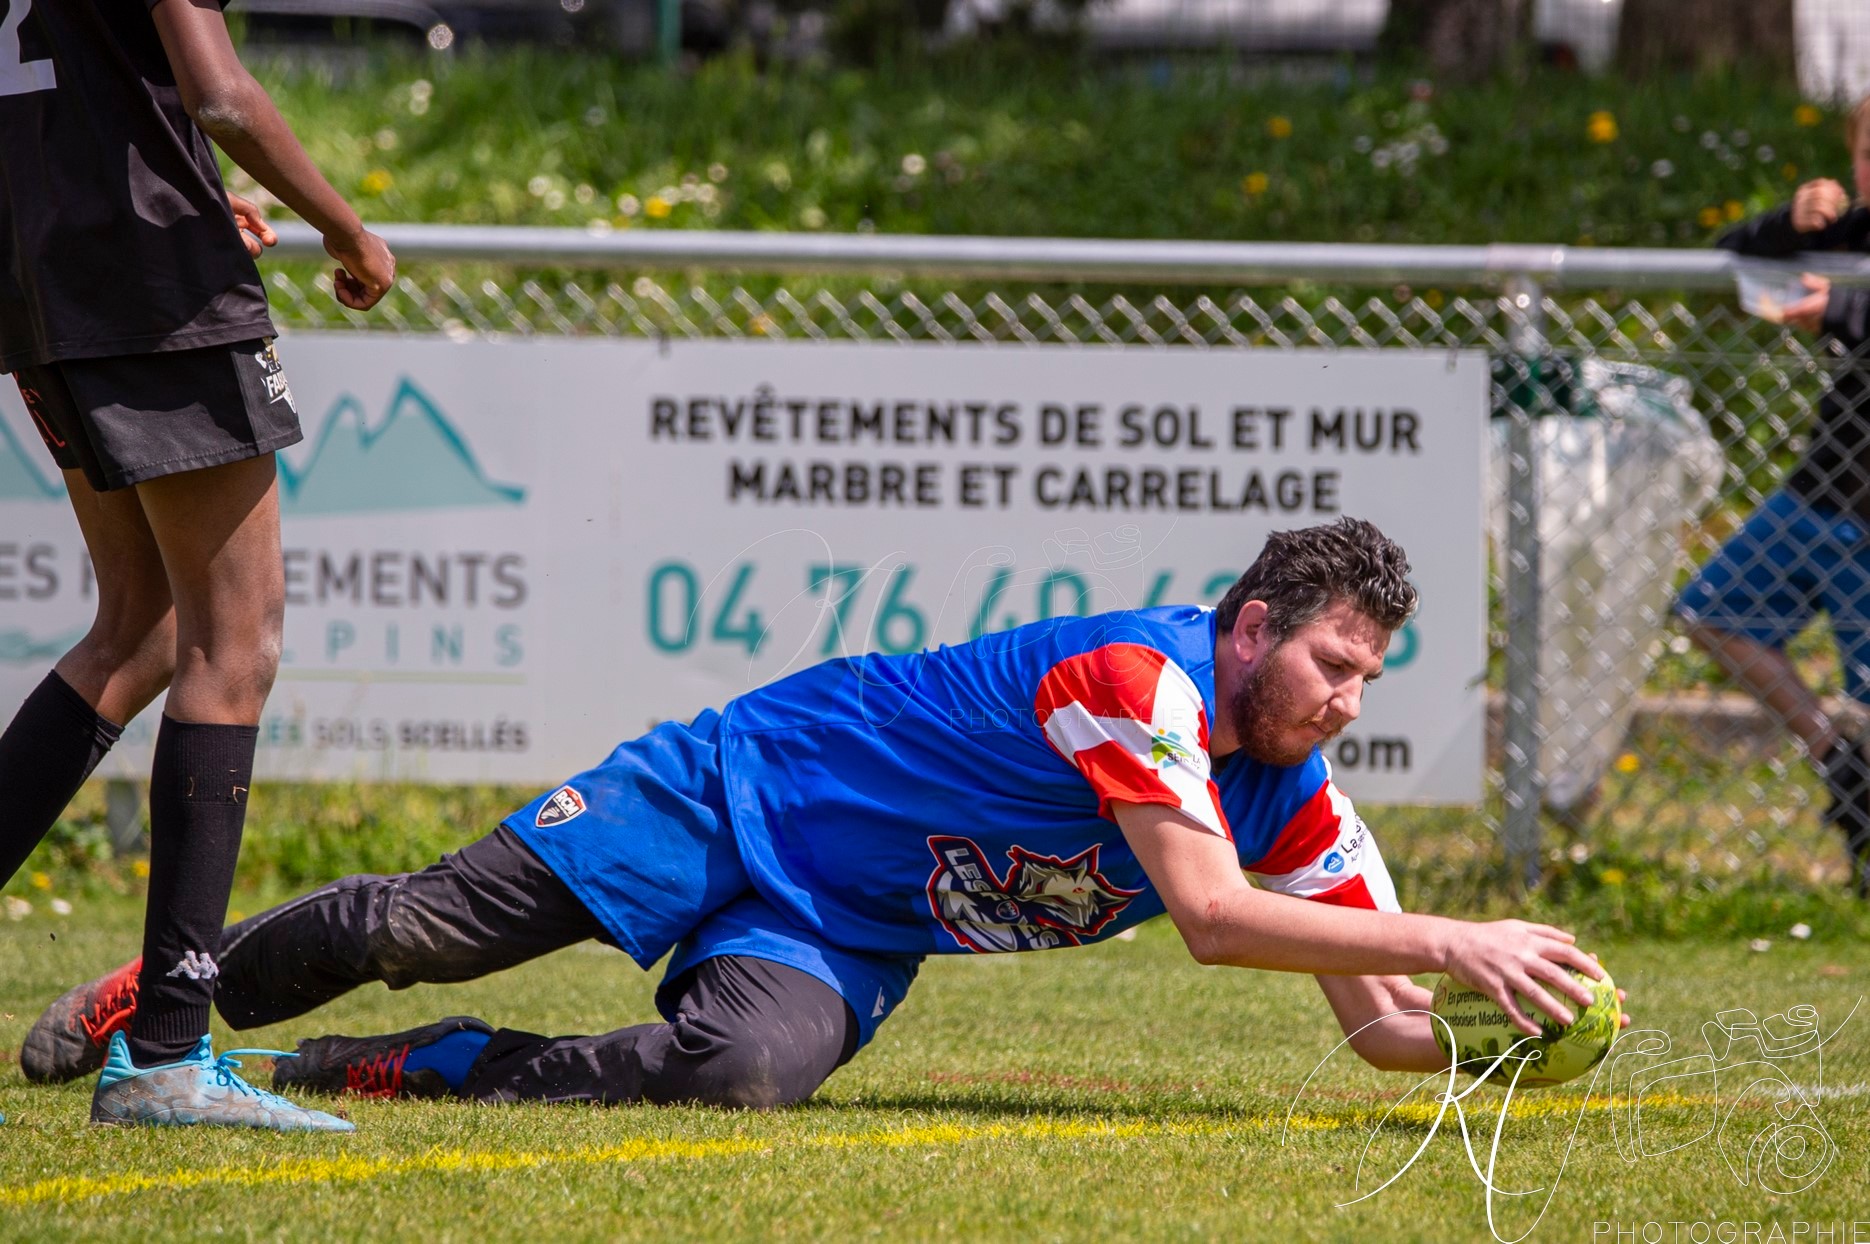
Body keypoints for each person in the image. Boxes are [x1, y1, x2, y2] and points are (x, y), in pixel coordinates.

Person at [24, 519, 1623, 1109]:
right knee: (422, 928)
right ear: (1253, 625)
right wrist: (1454, 930)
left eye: (1366, 683)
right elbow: (1209, 926)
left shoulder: (1295, 794)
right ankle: (162, 1000)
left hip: (835, 925)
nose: (1345, 700)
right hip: (731, 794)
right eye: (1332, 664)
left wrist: (1499, 1036)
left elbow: (1373, 1024)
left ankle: (367, 1073)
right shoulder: (1142, 680)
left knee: (737, 1076)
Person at [0, 0, 396, 1130]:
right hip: (153, 294)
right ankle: (169, 1049)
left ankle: (167, 1045)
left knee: (141, 629)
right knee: (237, 638)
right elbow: (218, 92)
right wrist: (347, 227)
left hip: (43, 280)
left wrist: (162, 192)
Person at [1679, 93, 1870, 898]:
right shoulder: (1855, 233)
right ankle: (1840, 760)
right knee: (1710, 608)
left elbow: (1847, 304)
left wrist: (1850, 304)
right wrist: (1789, 224)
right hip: (1821, 492)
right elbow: (1735, 259)